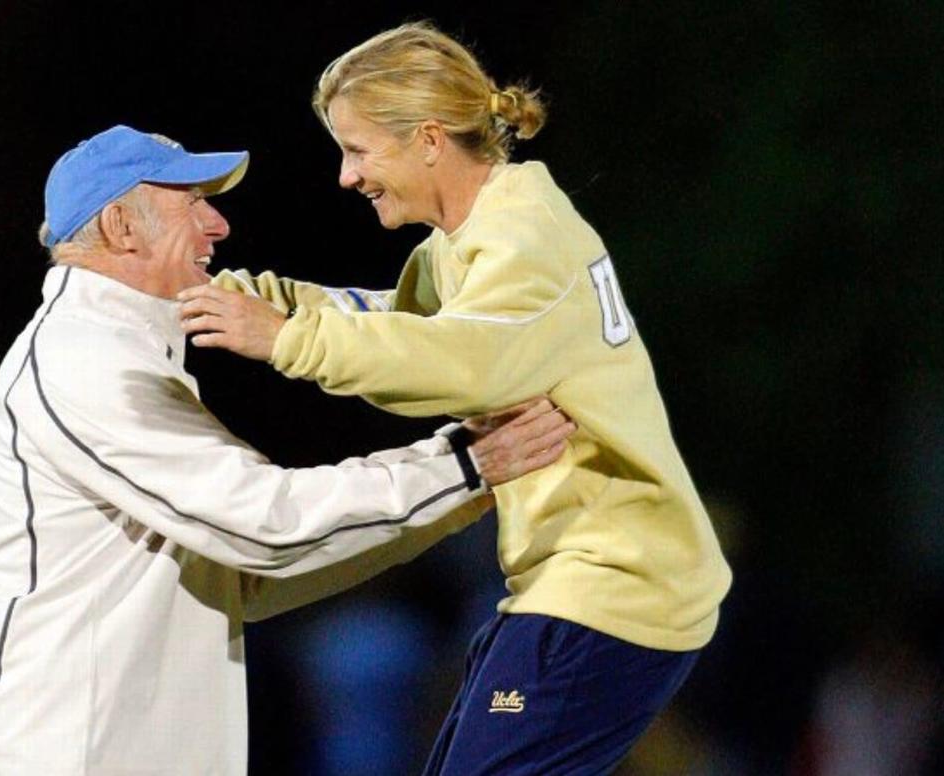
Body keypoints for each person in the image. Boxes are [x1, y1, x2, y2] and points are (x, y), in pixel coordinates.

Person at [178, 22, 733, 775]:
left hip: (615, 589)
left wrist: (282, 339)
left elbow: (460, 363)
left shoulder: (523, 239)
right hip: (586, 584)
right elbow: (398, 322)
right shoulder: (476, 235)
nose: (346, 175)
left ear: (429, 139)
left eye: (358, 149)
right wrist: (254, 299)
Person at [0, 124, 576, 775]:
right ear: (122, 229)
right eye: (191, 203)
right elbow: (265, 525)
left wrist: (463, 484)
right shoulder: (85, 362)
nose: (218, 226)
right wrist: (460, 465)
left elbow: (243, 577)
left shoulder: (119, 352)